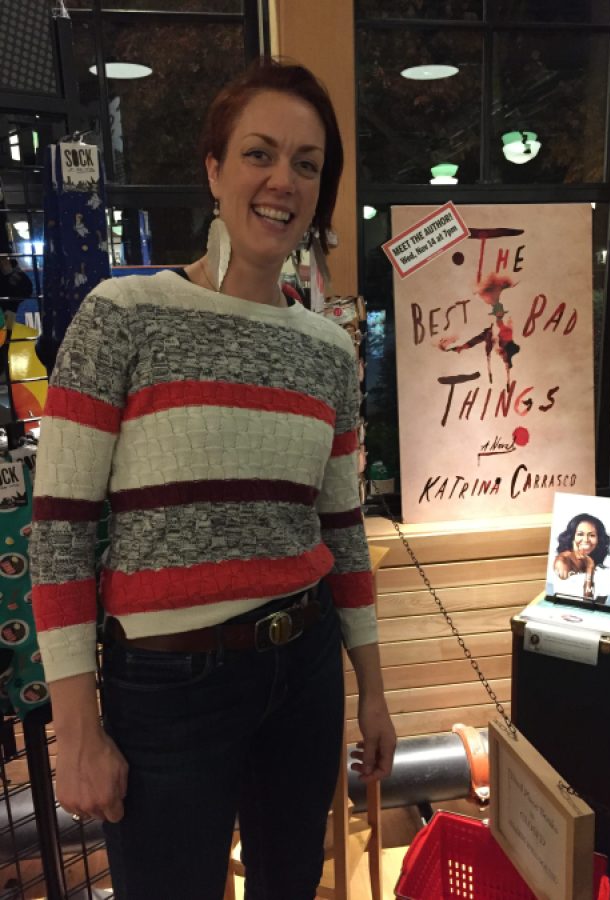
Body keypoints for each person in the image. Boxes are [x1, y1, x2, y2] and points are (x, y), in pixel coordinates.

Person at [30, 58, 396, 900]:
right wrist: (77, 729)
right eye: (260, 154)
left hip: (301, 670)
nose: (283, 181)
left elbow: (339, 532)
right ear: (214, 170)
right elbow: (60, 533)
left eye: (307, 164)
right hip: (164, 690)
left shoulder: (326, 349)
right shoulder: (122, 318)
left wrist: (371, 689)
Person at [553, 513, 610, 600]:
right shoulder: (562, 562)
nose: (586, 540)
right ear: (572, 537)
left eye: (592, 535)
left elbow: (596, 604)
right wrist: (590, 569)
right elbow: (586, 601)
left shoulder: (603, 570)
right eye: (580, 534)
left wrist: (590, 567)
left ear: (599, 539)